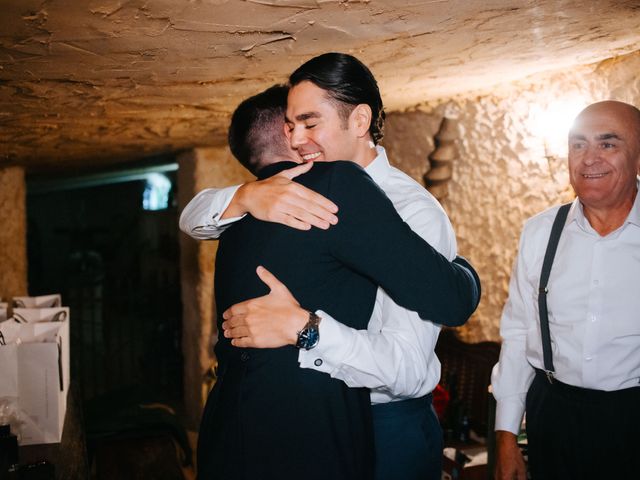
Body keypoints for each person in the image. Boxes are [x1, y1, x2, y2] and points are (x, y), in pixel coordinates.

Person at [182, 53, 480, 480]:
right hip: (312, 422)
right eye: (290, 126)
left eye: (309, 123)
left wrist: (306, 329)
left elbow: (409, 368)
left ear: (359, 122)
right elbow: (194, 217)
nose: (297, 140)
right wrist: (245, 196)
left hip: (386, 423)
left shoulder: (413, 211)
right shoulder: (286, 190)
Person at [491, 100, 640, 480]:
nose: (589, 159)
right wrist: (506, 436)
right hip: (554, 416)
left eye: (608, 144)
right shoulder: (540, 232)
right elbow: (518, 333)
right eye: (578, 144)